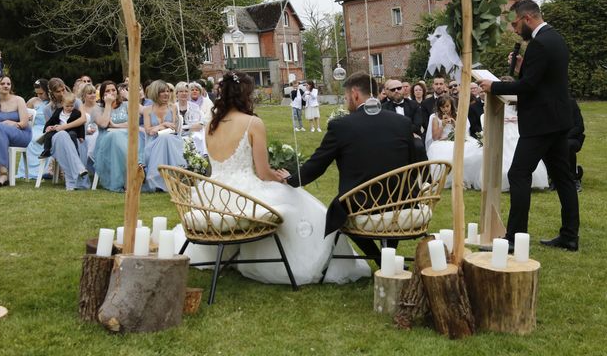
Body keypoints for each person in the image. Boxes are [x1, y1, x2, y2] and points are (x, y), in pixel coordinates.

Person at [180, 71, 370, 285]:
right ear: (246, 95)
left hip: (213, 194)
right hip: (243, 196)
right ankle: (310, 261)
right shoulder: (252, 123)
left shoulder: (210, 125)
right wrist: (281, 177)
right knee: (299, 200)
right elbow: (262, 172)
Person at [479, 0, 579, 251]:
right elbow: (544, 78)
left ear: (527, 18)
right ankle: (569, 236)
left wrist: (494, 86)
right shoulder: (555, 38)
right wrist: (524, 66)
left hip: (541, 122)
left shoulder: (538, 44)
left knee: (518, 174)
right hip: (558, 120)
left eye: (514, 23)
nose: (513, 29)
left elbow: (528, 86)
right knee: (563, 177)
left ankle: (514, 238)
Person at [288, 72, 418, 262]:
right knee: (384, 202)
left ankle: (381, 259)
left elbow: (317, 165)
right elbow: (413, 164)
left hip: (361, 204)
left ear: (355, 94)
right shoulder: (402, 123)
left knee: (340, 212)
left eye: (346, 97)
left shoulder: (341, 126)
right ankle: (387, 257)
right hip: (401, 201)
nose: (346, 102)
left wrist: (290, 179)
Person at [425, 94, 482, 189]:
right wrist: (442, 125)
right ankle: (448, 181)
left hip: (459, 139)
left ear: (451, 105)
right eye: (442, 107)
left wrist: (455, 124)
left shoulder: (458, 114)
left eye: (447, 106)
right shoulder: (434, 117)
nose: (445, 109)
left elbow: (464, 133)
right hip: (442, 142)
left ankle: (466, 180)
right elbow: (435, 137)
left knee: (475, 152)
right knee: (447, 156)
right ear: (439, 107)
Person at [43, 78, 90, 190]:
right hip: (57, 142)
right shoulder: (48, 109)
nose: (62, 93)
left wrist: (63, 127)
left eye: (63, 89)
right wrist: (51, 128)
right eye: (58, 91)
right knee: (61, 136)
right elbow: (50, 127)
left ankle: (71, 181)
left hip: (76, 137)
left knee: (64, 135)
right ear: (52, 93)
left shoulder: (75, 101)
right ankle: (78, 169)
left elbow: (83, 119)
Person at [142, 80, 185, 192]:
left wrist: (157, 128)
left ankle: (161, 178)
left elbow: (174, 128)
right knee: (162, 138)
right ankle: (158, 180)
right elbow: (148, 131)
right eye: (162, 92)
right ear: (155, 93)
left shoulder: (173, 107)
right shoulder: (147, 110)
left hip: (172, 140)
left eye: (167, 91)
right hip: (153, 143)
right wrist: (164, 124)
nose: (166, 94)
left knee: (164, 138)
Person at [94, 80, 132, 192]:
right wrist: (108, 105)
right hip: (107, 140)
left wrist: (115, 126)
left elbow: (132, 123)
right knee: (115, 136)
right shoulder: (96, 109)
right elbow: (104, 124)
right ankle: (126, 180)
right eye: (107, 91)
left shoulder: (125, 105)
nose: (111, 93)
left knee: (120, 135)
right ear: (102, 94)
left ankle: (132, 178)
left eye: (113, 90)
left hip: (127, 136)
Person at [382, 79, 426, 161]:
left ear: (403, 89)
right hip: (392, 138)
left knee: (419, 147)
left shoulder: (414, 105)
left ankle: (424, 172)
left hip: (412, 137)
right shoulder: (384, 108)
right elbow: (385, 127)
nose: (396, 91)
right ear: (389, 92)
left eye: (398, 88)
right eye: (393, 89)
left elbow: (416, 126)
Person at [16, 78, 51, 180]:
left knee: (43, 139)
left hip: (46, 128)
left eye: (41, 93)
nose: (39, 96)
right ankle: (27, 171)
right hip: (34, 127)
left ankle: (45, 170)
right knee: (31, 140)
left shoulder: (52, 102)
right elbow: (22, 114)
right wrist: (28, 117)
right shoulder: (33, 101)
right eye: (37, 93)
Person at [40, 92, 86, 162]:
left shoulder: (76, 113)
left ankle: (75, 152)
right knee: (49, 135)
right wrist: (48, 127)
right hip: (59, 130)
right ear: (62, 104)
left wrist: (81, 136)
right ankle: (46, 150)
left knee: (72, 135)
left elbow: (81, 125)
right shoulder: (58, 111)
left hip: (70, 130)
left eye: (71, 106)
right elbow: (51, 120)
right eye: (67, 106)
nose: (69, 108)